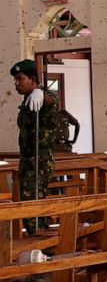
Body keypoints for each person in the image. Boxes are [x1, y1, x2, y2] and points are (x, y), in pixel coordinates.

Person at [10, 60, 59, 234]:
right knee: (31, 204)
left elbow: (50, 101)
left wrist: (40, 91)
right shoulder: (26, 101)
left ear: (32, 79)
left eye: (19, 79)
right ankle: (38, 240)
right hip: (28, 160)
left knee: (34, 207)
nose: (16, 83)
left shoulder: (42, 96)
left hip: (40, 161)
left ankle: (39, 245)